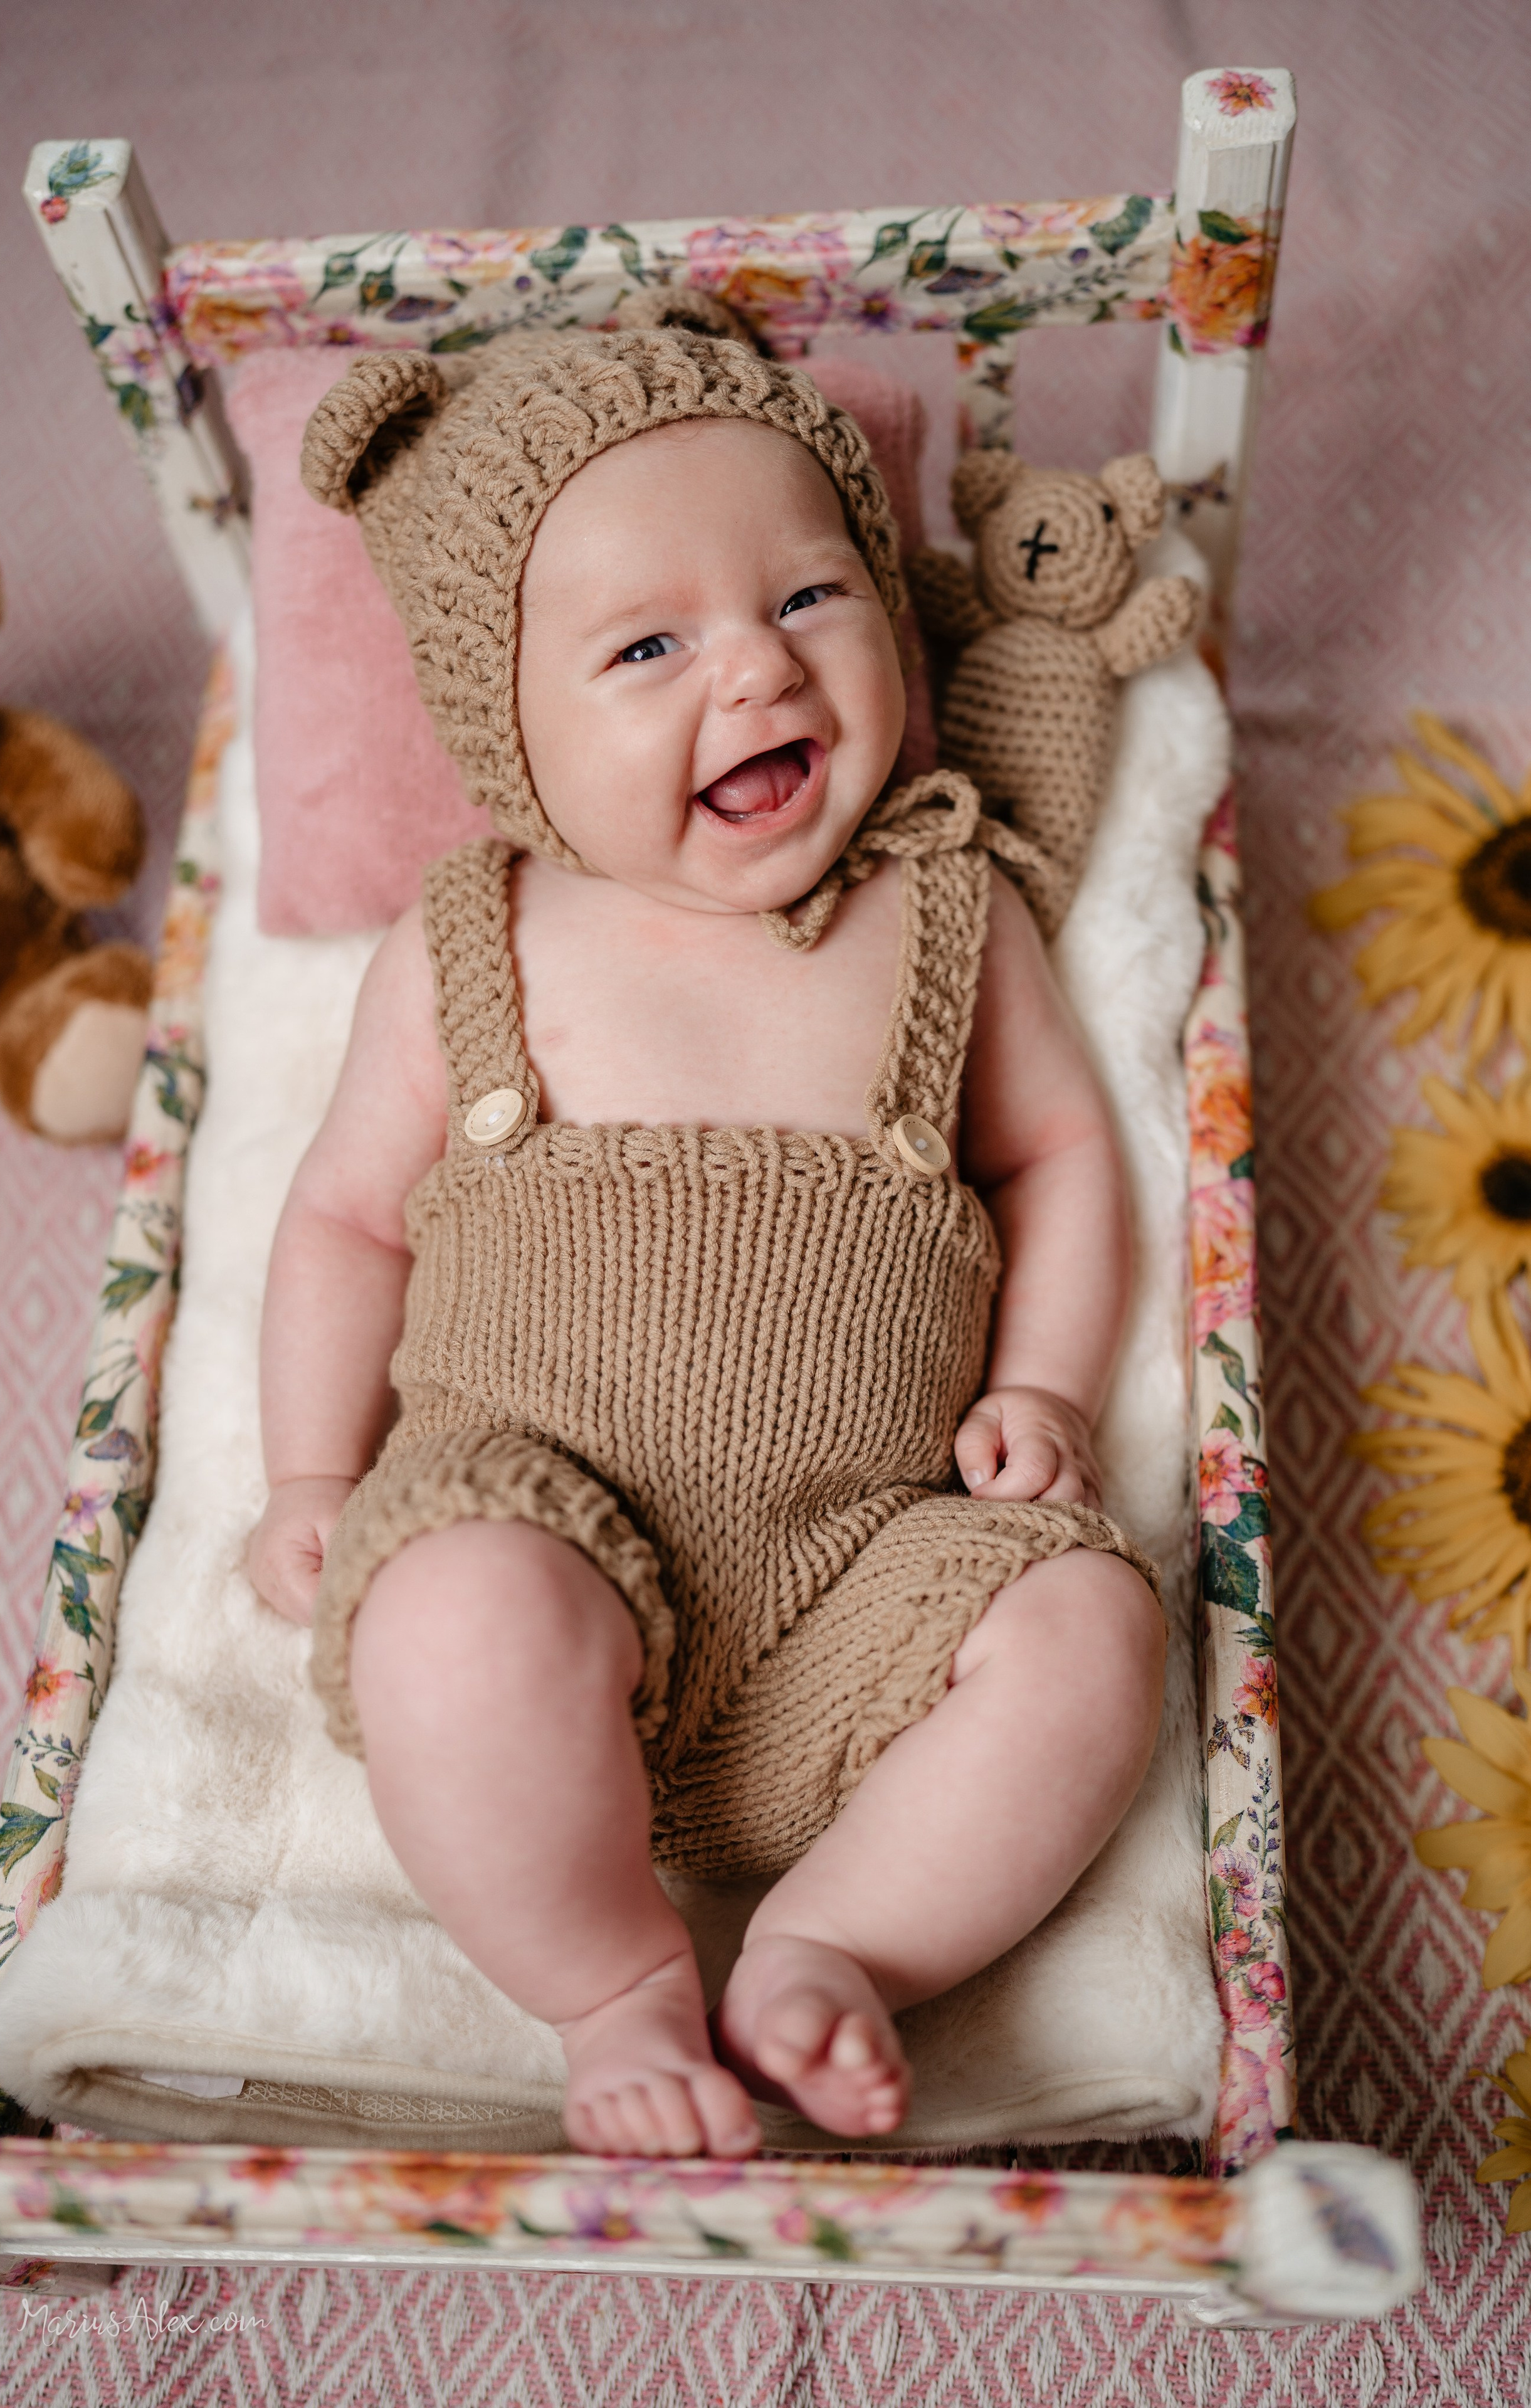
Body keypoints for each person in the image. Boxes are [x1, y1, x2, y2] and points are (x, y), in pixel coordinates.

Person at [246, 314, 1165, 2161]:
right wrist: (308, 1470)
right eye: (648, 646)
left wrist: (1048, 1382)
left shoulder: (944, 907)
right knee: (452, 1617)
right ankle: (611, 1986)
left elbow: (1061, 1152)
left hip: (859, 1576)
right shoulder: (474, 941)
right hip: (545, 1529)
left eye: (814, 594)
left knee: (1091, 1626)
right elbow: (345, 1218)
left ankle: (831, 1943)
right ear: (508, 723)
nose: (756, 669)